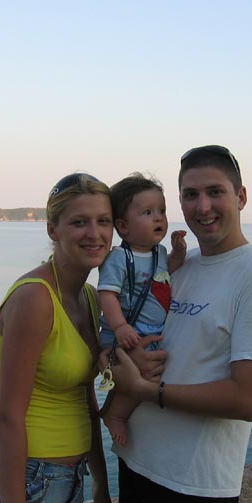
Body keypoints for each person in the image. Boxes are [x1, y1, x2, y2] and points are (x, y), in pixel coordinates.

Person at [104, 145, 252, 503]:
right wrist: (123, 358)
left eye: (214, 192)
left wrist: (146, 390)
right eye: (190, 195)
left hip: (194, 485)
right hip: (137, 462)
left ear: (241, 196)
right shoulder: (178, 268)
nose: (202, 206)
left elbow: (247, 400)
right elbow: (135, 335)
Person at [0, 173, 114, 503]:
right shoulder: (35, 300)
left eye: (103, 221)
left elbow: (86, 401)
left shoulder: (89, 297)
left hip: (69, 477)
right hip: (30, 478)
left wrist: (101, 482)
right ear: (53, 229)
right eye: (79, 222)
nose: (94, 233)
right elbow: (8, 416)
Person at [97, 173, 187, 446]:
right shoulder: (119, 258)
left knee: (150, 372)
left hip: (148, 331)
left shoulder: (159, 252)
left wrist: (178, 252)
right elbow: (107, 294)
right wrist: (120, 327)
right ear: (123, 226)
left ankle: (118, 410)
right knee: (144, 375)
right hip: (127, 333)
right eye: (148, 212)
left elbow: (165, 273)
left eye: (162, 211)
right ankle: (115, 414)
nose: (158, 218)